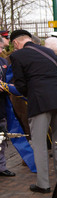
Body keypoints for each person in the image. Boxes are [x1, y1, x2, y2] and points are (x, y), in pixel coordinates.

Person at [9, 30, 57, 193]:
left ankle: (43, 184)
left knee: (39, 144)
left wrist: (28, 94)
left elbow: (21, 84)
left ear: (16, 43)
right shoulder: (49, 52)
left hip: (40, 102)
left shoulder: (17, 56)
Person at [0, 39, 15, 177]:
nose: (1, 51)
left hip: (1, 106)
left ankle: (2, 166)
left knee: (1, 138)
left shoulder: (4, 62)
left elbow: (8, 81)